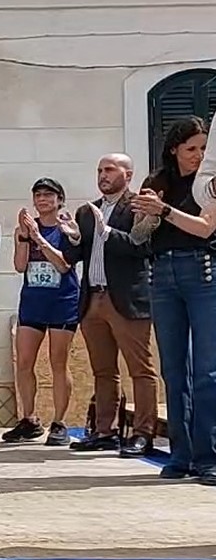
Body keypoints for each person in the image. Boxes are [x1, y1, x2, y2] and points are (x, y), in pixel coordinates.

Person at [131, 117, 216, 484]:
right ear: (174, 150)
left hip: (203, 270)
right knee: (174, 369)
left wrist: (164, 211)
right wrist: (145, 214)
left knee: (207, 370)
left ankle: (208, 456)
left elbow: (206, 228)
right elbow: (137, 237)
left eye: (203, 148)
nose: (198, 155)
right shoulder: (157, 181)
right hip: (161, 273)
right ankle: (180, 455)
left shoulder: (210, 184)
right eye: (191, 148)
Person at [65, 154, 159, 458]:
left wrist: (107, 232)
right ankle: (104, 431)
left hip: (126, 299)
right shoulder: (86, 211)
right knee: (103, 370)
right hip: (93, 298)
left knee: (140, 369)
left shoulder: (138, 206)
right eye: (99, 170)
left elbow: (141, 247)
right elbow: (75, 256)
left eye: (109, 170)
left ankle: (143, 433)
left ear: (127, 175)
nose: (102, 175)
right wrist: (73, 237)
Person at [5, 178, 81, 446]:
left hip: (62, 301)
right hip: (33, 301)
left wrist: (39, 237)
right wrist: (25, 236)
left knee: (58, 361)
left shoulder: (68, 228)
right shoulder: (24, 229)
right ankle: (29, 419)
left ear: (60, 200)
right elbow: (19, 265)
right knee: (25, 361)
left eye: (49, 195)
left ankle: (59, 422)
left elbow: (63, 265)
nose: (43, 199)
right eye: (38, 195)